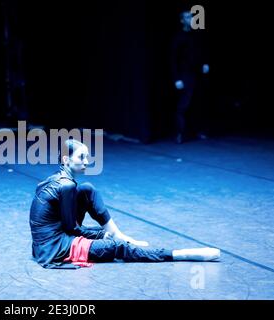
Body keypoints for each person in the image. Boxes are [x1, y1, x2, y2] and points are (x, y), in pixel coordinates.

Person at [29, 138, 220, 269]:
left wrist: (108, 234)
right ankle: (177, 254)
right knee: (116, 248)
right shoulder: (66, 186)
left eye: (87, 156)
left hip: (48, 242)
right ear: (66, 160)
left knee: (87, 189)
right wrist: (102, 235)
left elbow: (68, 225)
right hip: (54, 248)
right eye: (81, 157)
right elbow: (71, 229)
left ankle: (120, 235)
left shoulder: (61, 180)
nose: (87, 161)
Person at [171, 11, 210, 144]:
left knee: (199, 103)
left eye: (192, 17)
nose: (191, 19)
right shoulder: (179, 37)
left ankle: (198, 130)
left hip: (197, 74)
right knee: (184, 105)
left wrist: (204, 63)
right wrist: (177, 78)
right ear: (182, 20)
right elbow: (173, 59)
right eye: (188, 17)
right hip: (185, 75)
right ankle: (180, 133)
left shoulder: (197, 35)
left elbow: (201, 51)